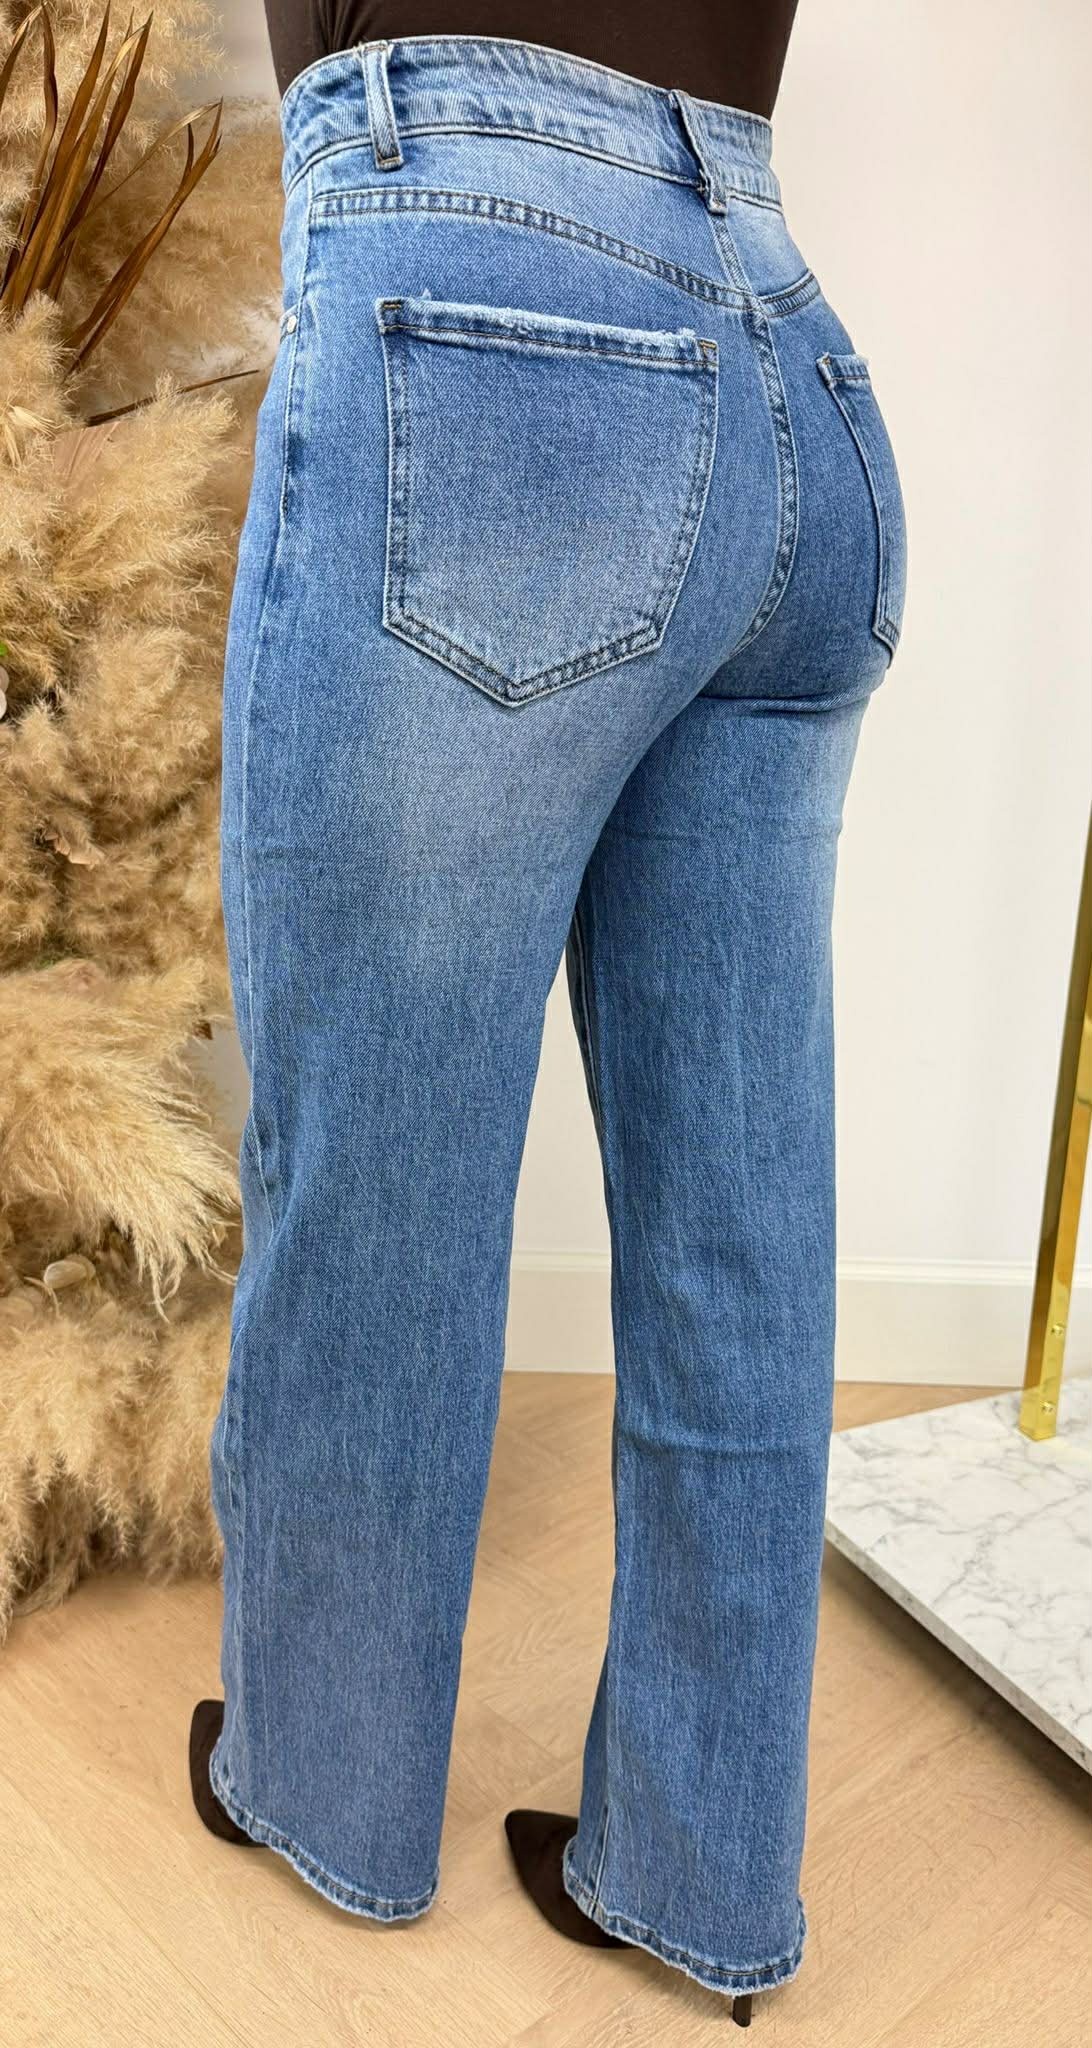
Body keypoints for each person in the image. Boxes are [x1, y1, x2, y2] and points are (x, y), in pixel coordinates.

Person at [189, 12, 906, 2028]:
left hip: (488, 320)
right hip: (796, 361)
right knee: (736, 1223)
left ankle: (324, 1784)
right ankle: (700, 1873)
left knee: (379, 1167)